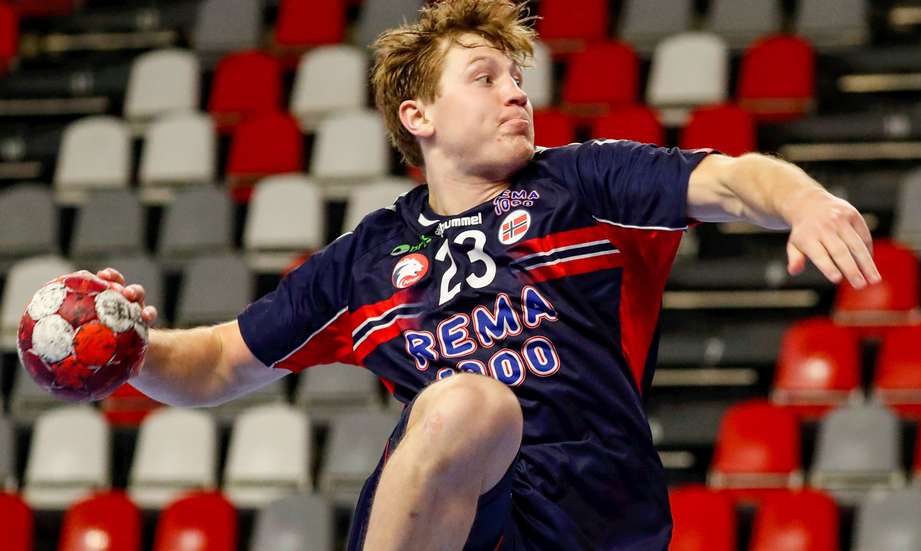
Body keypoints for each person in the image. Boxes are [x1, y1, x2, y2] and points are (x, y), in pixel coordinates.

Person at [99, 1, 880, 549]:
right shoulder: (366, 260)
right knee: (469, 404)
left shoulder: (584, 182)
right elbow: (215, 361)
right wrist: (127, 346)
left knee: (473, 403)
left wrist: (802, 200)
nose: (515, 92)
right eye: (485, 77)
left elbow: (733, 179)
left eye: (517, 78)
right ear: (419, 116)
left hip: (602, 518)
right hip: (475, 520)